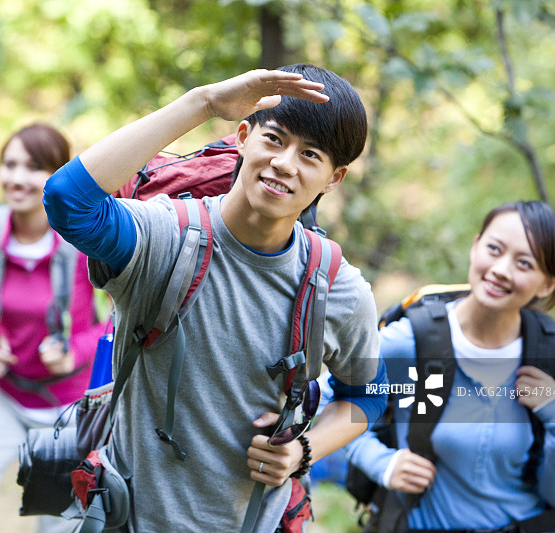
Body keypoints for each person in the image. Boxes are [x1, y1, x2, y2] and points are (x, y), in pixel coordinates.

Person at [42, 64, 388, 532]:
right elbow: (68, 201)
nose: (285, 163)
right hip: (131, 518)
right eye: (275, 139)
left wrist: (302, 451)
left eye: (310, 154)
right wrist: (203, 102)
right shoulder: (164, 238)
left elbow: (370, 394)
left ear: (334, 178)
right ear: (243, 136)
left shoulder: (337, 287)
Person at [345, 200, 555, 532]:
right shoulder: (409, 342)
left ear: (547, 284)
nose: (501, 269)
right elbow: (337, 404)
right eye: (494, 249)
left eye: (524, 263)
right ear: (475, 247)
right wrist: (383, 464)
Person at [0, 123, 106, 533]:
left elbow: (116, 321)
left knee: (60, 518)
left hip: (69, 405)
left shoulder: (86, 240)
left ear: (58, 175)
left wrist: (74, 353)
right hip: (4, 393)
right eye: (9, 165)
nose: (17, 178)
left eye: (34, 167)